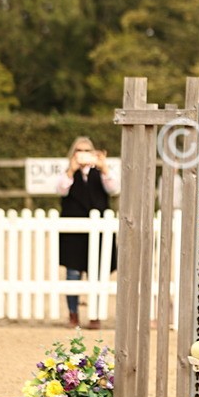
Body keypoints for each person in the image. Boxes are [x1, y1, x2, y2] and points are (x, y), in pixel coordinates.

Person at [57, 136, 118, 329]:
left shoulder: (100, 173)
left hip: (98, 230)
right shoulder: (67, 172)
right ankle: (73, 314)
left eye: (86, 151)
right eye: (79, 151)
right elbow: (61, 190)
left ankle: (95, 316)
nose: (82, 155)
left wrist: (104, 166)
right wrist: (72, 169)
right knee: (73, 273)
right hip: (74, 231)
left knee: (98, 274)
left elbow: (114, 188)